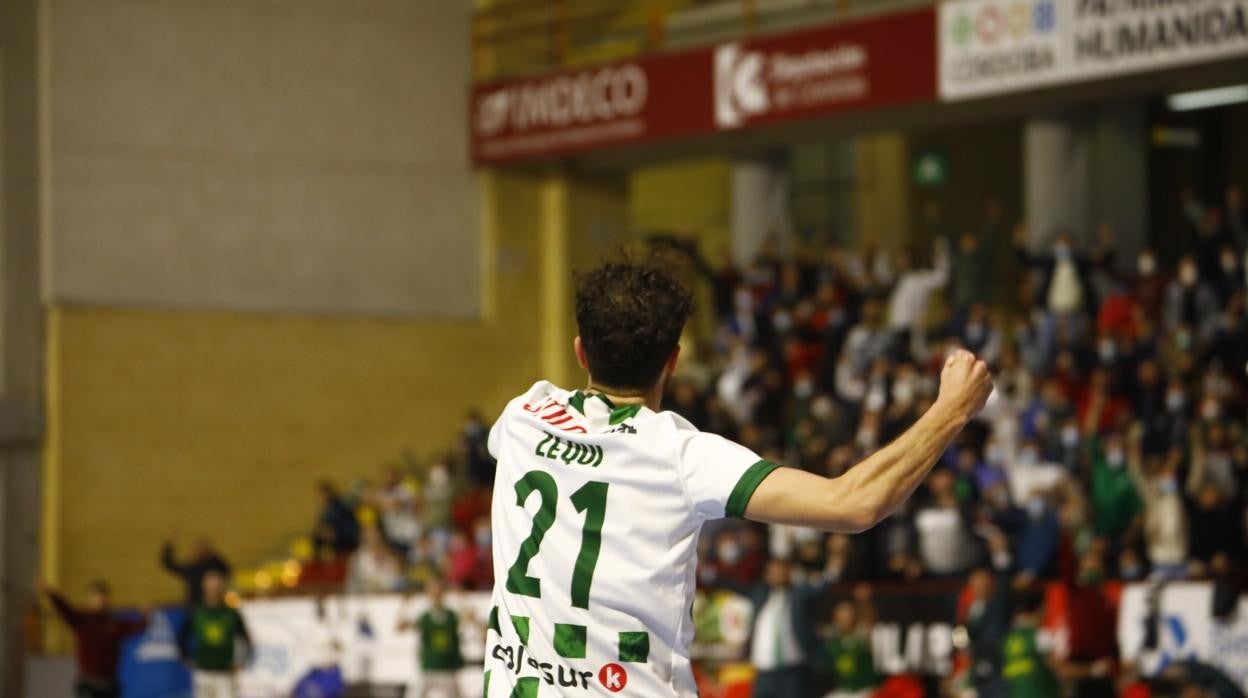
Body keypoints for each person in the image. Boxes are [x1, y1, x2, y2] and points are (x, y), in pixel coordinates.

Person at [481, 255, 994, 696]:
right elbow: (853, 503)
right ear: (673, 362)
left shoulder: (523, 416)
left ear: (580, 351)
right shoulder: (682, 456)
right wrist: (951, 410)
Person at [707, 558, 828, 697]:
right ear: (767, 575)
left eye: (781, 571)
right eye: (773, 571)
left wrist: (830, 571)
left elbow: (820, 588)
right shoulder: (760, 594)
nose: (778, 575)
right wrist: (710, 574)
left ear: (789, 573)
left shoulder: (799, 595)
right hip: (763, 674)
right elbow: (735, 587)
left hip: (792, 673)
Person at [39, 577, 147, 698]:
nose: (100, 600)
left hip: (109, 684)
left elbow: (136, 627)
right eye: (96, 597)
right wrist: (50, 593)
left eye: (102, 597)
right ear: (90, 599)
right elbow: (65, 610)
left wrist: (145, 616)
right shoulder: (82, 621)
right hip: (88, 684)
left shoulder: (114, 623)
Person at [180, 569, 252, 698]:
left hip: (225, 673)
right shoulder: (197, 612)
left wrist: (241, 660)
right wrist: (185, 657)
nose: (215, 589)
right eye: (211, 585)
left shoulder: (231, 613)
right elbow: (182, 636)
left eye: (218, 586)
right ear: (204, 588)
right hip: (203, 672)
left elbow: (244, 638)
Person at [397, 578, 464, 698]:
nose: (435, 595)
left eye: (438, 591)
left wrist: (462, 598)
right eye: (432, 591)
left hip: (448, 669)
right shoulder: (424, 616)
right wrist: (404, 605)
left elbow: (471, 618)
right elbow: (400, 627)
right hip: (428, 668)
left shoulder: (452, 615)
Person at [1001, 586, 1060, 698]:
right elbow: (1061, 671)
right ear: (1041, 608)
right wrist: (1093, 670)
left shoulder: (1006, 640)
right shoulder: (1040, 636)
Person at [822, 600, 879, 698]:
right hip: (846, 690)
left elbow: (870, 623)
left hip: (866, 689)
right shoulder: (834, 639)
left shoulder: (862, 634)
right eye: (841, 618)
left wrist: (864, 603)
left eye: (848, 617)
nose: (846, 621)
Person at [160, 536, 231, 606]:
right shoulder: (191, 568)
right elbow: (170, 565)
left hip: (211, 604)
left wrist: (214, 554)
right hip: (193, 604)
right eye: (196, 549)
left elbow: (226, 570)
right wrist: (169, 548)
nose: (198, 552)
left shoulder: (213, 565)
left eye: (201, 549)